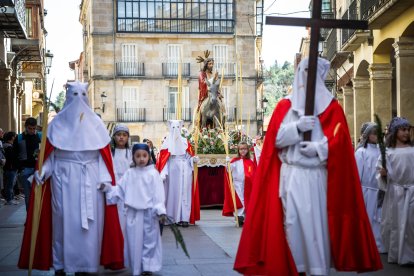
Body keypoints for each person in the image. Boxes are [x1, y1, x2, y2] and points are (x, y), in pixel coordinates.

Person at [234, 57, 382, 275]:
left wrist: (319, 149)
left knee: (317, 223)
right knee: (292, 222)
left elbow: (339, 143)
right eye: (304, 72)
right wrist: (296, 127)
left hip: (317, 176)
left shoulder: (332, 108)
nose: (306, 79)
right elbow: (275, 139)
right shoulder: (285, 105)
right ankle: (295, 267)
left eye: (311, 73)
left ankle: (317, 269)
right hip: (292, 174)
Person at [18, 82, 124, 275]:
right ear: (68, 97)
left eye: (82, 94)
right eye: (74, 95)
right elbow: (49, 157)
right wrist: (43, 172)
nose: (78, 99)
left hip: (91, 181)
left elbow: (103, 157)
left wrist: (105, 180)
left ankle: (88, 264)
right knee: (62, 224)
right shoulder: (56, 125)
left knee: (90, 227)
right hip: (62, 179)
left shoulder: (96, 125)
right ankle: (61, 264)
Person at [102, 143, 166, 276]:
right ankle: (136, 267)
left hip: (149, 213)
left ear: (149, 156)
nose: (141, 159)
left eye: (144, 155)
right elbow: (119, 189)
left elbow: (158, 194)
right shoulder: (129, 173)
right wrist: (108, 189)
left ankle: (147, 266)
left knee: (149, 241)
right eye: (138, 156)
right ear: (133, 157)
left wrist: (159, 209)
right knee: (133, 241)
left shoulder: (154, 174)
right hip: (132, 214)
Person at [377, 117, 414, 265]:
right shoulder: (388, 152)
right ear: (394, 132)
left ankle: (410, 253)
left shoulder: (413, 151)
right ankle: (398, 253)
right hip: (395, 193)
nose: (406, 133)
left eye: (407, 130)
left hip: (412, 191)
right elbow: (380, 174)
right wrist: (383, 175)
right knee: (395, 224)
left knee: (411, 224)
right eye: (402, 129)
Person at [156, 120, 200, 227]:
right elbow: (164, 160)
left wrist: (193, 159)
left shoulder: (185, 142)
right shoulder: (166, 143)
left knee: (185, 194)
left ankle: (184, 218)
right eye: (173, 127)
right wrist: (163, 172)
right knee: (172, 194)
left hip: (186, 170)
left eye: (177, 127)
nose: (175, 130)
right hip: (172, 171)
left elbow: (189, 156)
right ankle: (172, 218)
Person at [355, 122, 385, 253]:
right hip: (366, 190)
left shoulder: (382, 150)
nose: (376, 135)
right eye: (374, 133)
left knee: (379, 218)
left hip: (381, 189)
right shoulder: (361, 151)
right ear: (367, 135)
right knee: (367, 217)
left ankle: (379, 244)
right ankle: (366, 243)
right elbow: (357, 172)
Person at [222, 141, 256, 227]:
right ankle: (239, 216)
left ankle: (245, 217)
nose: (243, 151)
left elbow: (254, 171)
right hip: (237, 184)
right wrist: (228, 163)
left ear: (247, 150)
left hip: (248, 184)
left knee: (247, 200)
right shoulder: (235, 161)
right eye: (241, 149)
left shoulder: (250, 161)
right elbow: (228, 170)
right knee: (240, 199)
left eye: (244, 149)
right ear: (238, 150)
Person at [13, 117, 41, 210]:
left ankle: (36, 220)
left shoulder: (40, 136)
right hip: (25, 170)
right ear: (25, 127)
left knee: (39, 196)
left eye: (34, 128)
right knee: (28, 196)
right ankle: (29, 220)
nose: (32, 131)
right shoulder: (19, 138)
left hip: (38, 170)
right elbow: (14, 154)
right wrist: (20, 169)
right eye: (30, 128)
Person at [111, 124, 132, 233]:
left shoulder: (131, 153)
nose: (121, 137)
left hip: (128, 190)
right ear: (114, 137)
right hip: (115, 189)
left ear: (128, 138)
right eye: (118, 135)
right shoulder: (110, 154)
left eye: (124, 135)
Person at [3, 131, 19, 205]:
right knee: (10, 184)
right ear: (12, 137)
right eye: (15, 136)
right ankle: (9, 199)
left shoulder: (6, 146)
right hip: (11, 168)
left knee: (9, 184)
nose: (16, 137)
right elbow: (12, 158)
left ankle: (10, 199)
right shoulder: (9, 147)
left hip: (9, 168)